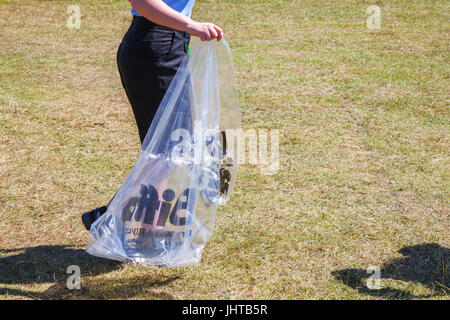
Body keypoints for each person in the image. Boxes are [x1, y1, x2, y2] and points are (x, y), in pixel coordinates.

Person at [82, 0, 223, 230]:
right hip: (154, 49)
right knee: (168, 147)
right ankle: (109, 216)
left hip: (171, 45)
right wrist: (191, 25)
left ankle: (147, 229)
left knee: (165, 148)